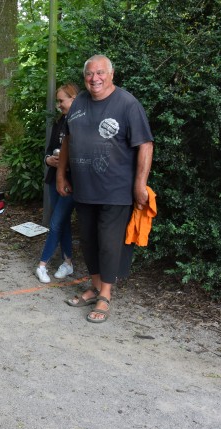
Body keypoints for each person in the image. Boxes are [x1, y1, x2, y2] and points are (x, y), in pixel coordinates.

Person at [56, 54, 153, 323]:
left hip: (116, 189)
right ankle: (96, 286)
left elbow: (145, 144)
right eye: (89, 73)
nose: (94, 78)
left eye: (100, 73)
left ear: (111, 75)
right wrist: (61, 175)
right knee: (88, 241)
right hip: (84, 188)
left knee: (109, 243)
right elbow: (68, 140)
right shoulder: (78, 104)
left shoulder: (127, 103)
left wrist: (140, 184)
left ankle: (106, 294)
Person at [35, 83, 79, 283]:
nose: (59, 105)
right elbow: (49, 149)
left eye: (62, 100)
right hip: (54, 178)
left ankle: (42, 265)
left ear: (74, 98)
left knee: (55, 223)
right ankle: (68, 262)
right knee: (62, 223)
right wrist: (48, 160)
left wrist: (66, 163)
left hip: (72, 182)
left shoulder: (81, 122)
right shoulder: (60, 121)